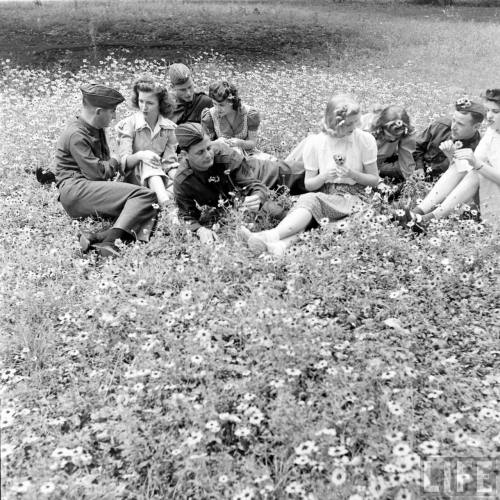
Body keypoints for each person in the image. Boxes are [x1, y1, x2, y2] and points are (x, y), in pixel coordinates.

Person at [240, 94, 380, 256]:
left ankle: (267, 236)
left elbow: (374, 180)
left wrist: (351, 174)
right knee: (308, 209)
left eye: (356, 121)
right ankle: (277, 247)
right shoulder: (316, 143)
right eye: (349, 123)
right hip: (328, 193)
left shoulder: (364, 140)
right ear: (335, 123)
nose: (354, 126)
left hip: (357, 197)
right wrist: (324, 176)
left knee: (311, 202)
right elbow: (309, 184)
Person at [55, 83, 158, 257]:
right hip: (76, 191)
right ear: (98, 112)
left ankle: (94, 238)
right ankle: (110, 244)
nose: (114, 116)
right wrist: (115, 160)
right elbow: (98, 173)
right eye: (112, 111)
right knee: (145, 196)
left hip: (84, 189)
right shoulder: (76, 134)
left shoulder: (94, 129)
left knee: (145, 209)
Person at [405, 90, 498, 230]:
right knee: (464, 165)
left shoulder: (482, 136)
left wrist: (477, 164)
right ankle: (418, 212)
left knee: (476, 170)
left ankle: (429, 219)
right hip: (485, 193)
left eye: (496, 111)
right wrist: (453, 156)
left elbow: (477, 166)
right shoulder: (493, 131)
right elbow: (466, 168)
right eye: (488, 110)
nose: (489, 116)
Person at [173, 123, 278, 245]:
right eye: (200, 152)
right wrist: (199, 229)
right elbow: (185, 215)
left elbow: (253, 184)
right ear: (185, 155)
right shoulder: (183, 180)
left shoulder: (225, 155)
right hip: (238, 199)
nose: (208, 155)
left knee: (298, 179)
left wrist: (257, 197)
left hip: (264, 171)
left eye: (208, 148)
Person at [115, 77, 178, 208]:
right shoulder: (129, 124)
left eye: (149, 103)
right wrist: (141, 156)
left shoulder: (169, 128)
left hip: (159, 176)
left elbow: (169, 163)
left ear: (160, 104)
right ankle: (168, 208)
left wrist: (179, 176)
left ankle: (158, 201)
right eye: (141, 101)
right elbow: (123, 163)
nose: (144, 107)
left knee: (181, 179)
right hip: (133, 179)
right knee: (148, 163)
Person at [413, 97, 485, 181]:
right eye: (454, 120)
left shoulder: (478, 150)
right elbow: (416, 145)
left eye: (460, 124)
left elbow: (462, 179)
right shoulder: (441, 126)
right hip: (414, 169)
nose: (453, 127)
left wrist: (452, 157)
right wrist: (419, 167)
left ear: (476, 126)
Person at [201, 80, 272, 160]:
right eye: (214, 104)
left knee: (269, 164)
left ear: (231, 101)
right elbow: (205, 145)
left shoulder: (250, 114)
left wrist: (241, 143)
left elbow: (252, 142)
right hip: (222, 156)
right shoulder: (210, 115)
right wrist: (217, 142)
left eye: (221, 105)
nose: (217, 108)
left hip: (248, 154)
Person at [361, 105, 416, 182]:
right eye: (389, 136)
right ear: (380, 127)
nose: (393, 139)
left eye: (396, 137)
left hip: (377, 165)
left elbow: (407, 160)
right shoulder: (363, 127)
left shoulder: (406, 133)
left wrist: (411, 180)